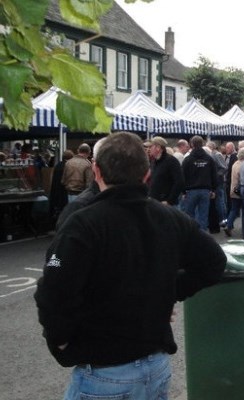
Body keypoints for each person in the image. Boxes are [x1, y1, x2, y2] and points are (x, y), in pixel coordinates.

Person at [34, 132, 226, 400]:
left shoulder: (83, 223)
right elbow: (213, 263)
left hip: (105, 371)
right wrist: (167, 291)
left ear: (96, 171)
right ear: (147, 175)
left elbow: (53, 292)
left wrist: (61, 342)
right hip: (154, 366)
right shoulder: (168, 217)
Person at [181, 136, 217, 231]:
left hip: (191, 191)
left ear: (191, 144)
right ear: (202, 144)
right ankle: (202, 238)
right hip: (205, 191)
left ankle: (191, 237)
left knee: (189, 216)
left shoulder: (188, 160)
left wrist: (183, 192)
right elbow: (214, 175)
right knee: (203, 216)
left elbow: (183, 176)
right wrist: (213, 189)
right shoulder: (209, 159)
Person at [148, 136, 184, 206]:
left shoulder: (171, 161)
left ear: (158, 148)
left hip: (166, 204)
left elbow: (179, 182)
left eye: (151, 147)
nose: (149, 149)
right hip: (154, 202)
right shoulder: (154, 162)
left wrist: (169, 201)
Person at [225, 147, 244, 237]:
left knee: (234, 209)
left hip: (233, 190)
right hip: (240, 191)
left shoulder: (235, 164)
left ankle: (229, 225)